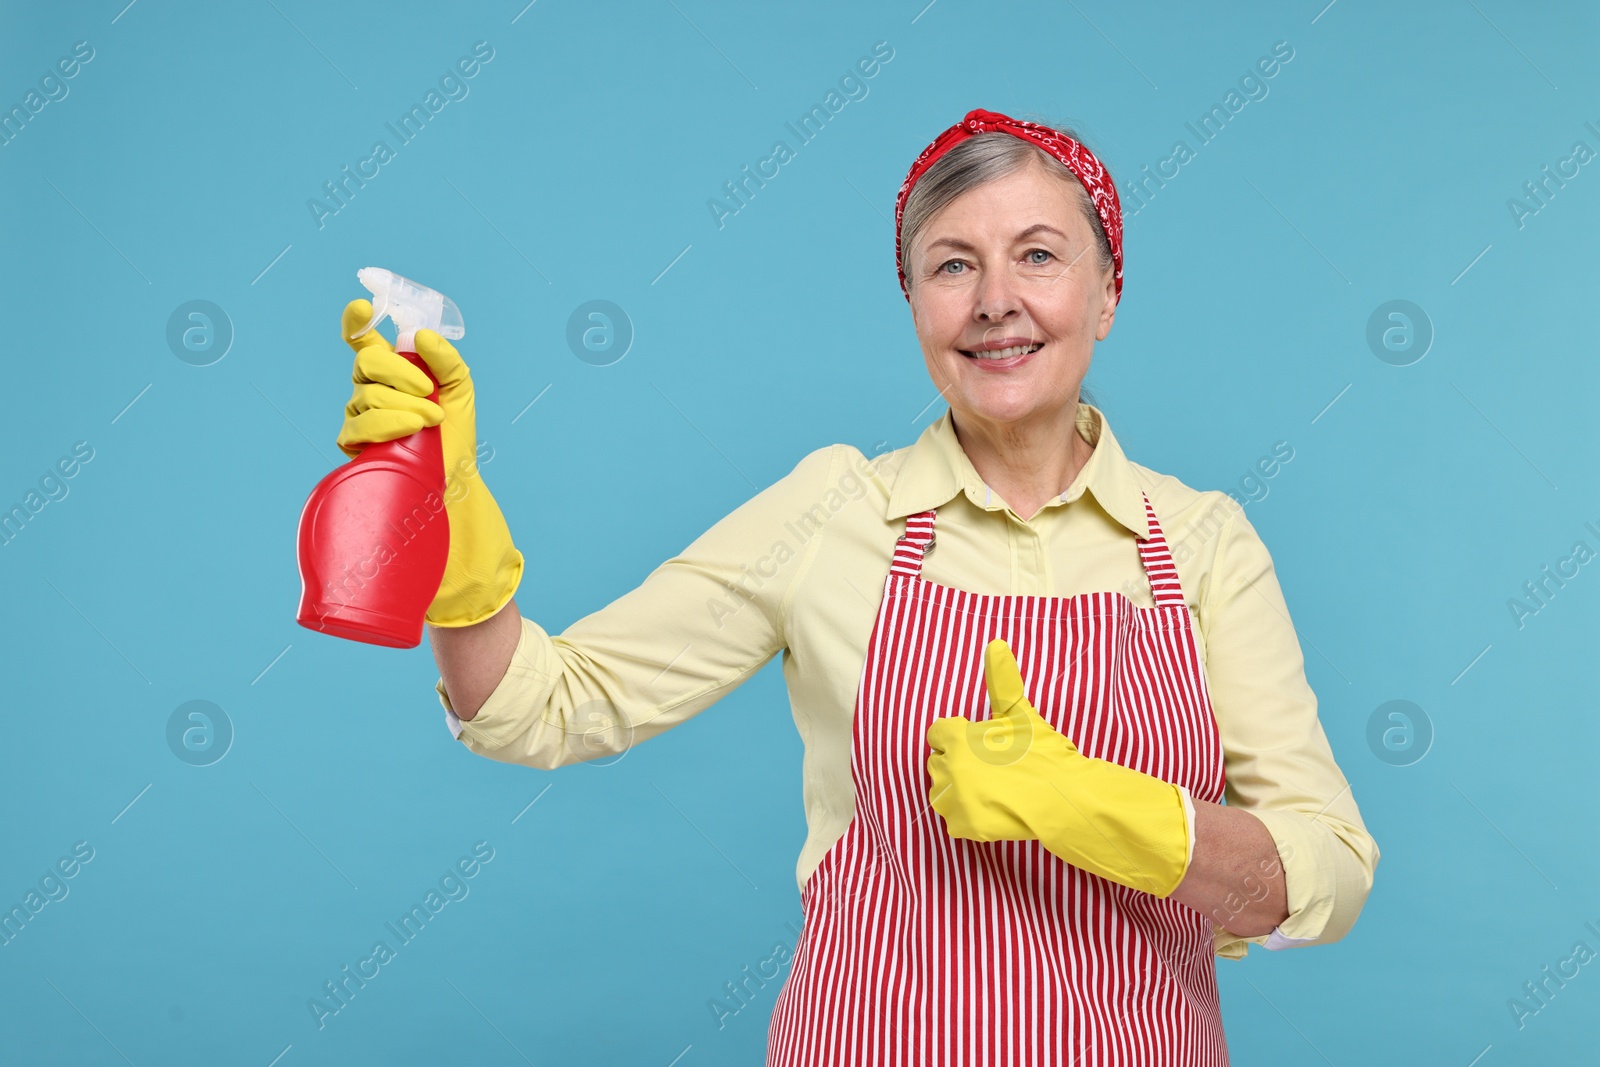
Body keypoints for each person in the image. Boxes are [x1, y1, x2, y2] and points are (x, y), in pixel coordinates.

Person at [332, 107, 1378, 1065]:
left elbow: (1322, 873)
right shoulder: (831, 512)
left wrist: (1096, 806)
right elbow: (538, 706)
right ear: (913, 301)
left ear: (1107, 293)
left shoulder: (1198, 543)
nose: (995, 301)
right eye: (951, 265)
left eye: (1039, 256)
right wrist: (446, 515)